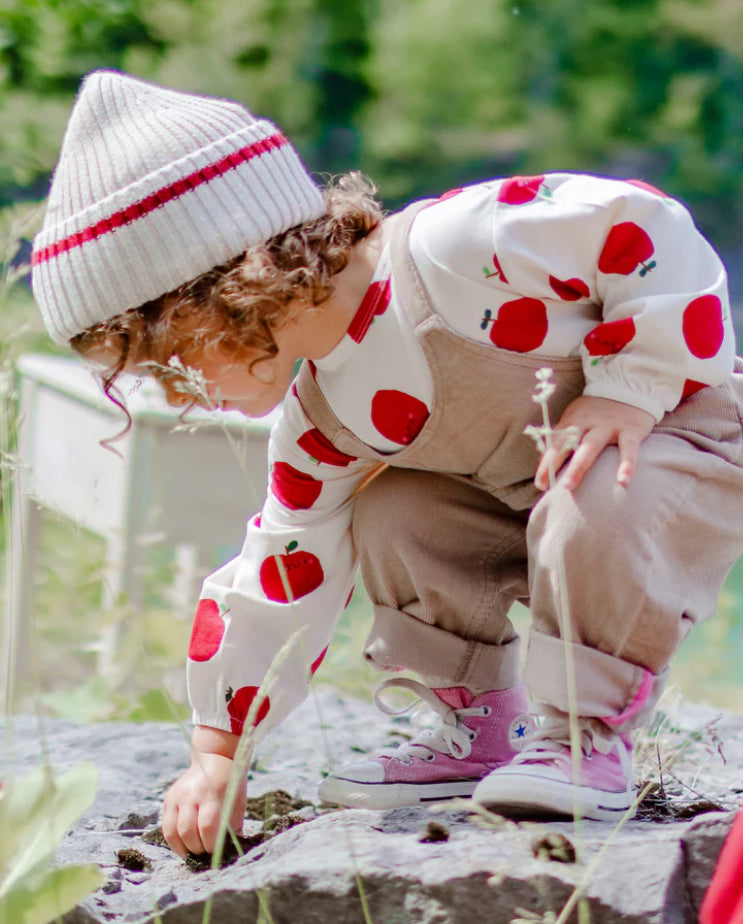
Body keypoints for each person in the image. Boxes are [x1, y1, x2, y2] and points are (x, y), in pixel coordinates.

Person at [31, 69, 743, 857]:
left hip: (674, 448)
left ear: (223, 288)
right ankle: (476, 726)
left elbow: (642, 229)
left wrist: (627, 389)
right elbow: (280, 568)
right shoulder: (321, 421)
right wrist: (217, 757)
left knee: (591, 493)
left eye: (172, 365)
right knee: (391, 509)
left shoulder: (455, 249)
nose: (182, 395)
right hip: (537, 503)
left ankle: (586, 737)